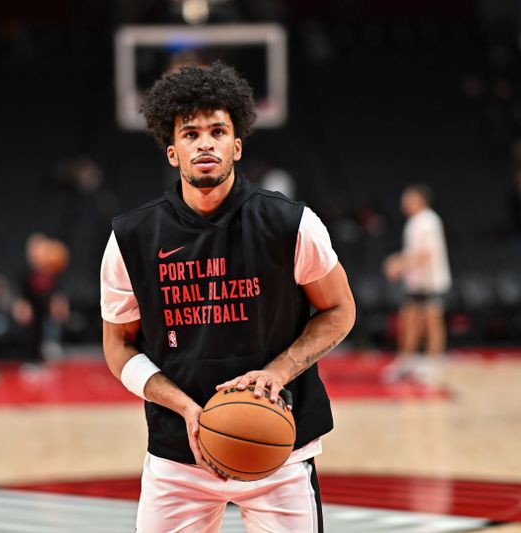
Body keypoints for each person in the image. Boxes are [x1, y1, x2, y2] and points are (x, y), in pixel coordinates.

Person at [99, 62, 355, 533]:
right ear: (172, 151)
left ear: (236, 146)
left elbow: (339, 309)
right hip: (178, 457)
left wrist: (277, 374)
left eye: (218, 131)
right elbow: (119, 347)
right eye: (190, 134)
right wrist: (184, 408)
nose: (205, 143)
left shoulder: (290, 224)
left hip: (279, 449)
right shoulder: (131, 239)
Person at [382, 185, 451, 385]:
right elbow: (414, 252)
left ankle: (434, 364)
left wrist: (399, 265)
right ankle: (406, 360)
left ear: (420, 200)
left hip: (431, 281)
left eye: (408, 198)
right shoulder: (414, 223)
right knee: (409, 318)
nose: (404, 202)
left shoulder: (429, 221)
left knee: (432, 321)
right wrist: (401, 262)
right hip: (416, 281)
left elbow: (426, 254)